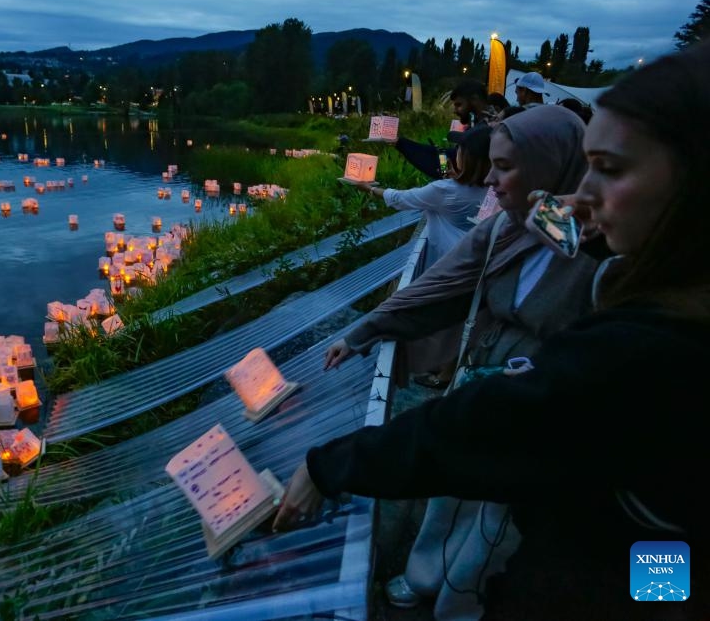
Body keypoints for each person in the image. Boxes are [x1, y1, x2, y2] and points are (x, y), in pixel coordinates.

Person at [273, 42, 710, 620]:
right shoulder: (541, 230)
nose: (586, 196)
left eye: (611, 169)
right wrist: (366, 330)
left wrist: (327, 466)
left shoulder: (639, 348)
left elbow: (490, 422)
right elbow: (446, 286)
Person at [321, 105, 600, 619]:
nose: (491, 180)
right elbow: (436, 287)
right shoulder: (504, 230)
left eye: (507, 168)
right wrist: (364, 332)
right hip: (479, 387)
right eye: (492, 165)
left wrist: (570, 220)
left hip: (539, 407)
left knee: (499, 518)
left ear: (551, 166)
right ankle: (427, 575)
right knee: (453, 492)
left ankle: (463, 601)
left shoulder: (601, 252)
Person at [365, 123, 491, 267]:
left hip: (452, 261)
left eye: (459, 148)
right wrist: (456, 178)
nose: (456, 151)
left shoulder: (443, 190)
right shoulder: (496, 187)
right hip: (481, 256)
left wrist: (369, 189)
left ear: (467, 156)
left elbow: (400, 199)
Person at [394, 80, 498, 181]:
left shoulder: (491, 129)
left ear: (475, 100)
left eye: (459, 105)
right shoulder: (477, 123)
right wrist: (401, 143)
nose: (455, 111)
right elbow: (450, 160)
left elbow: (461, 165)